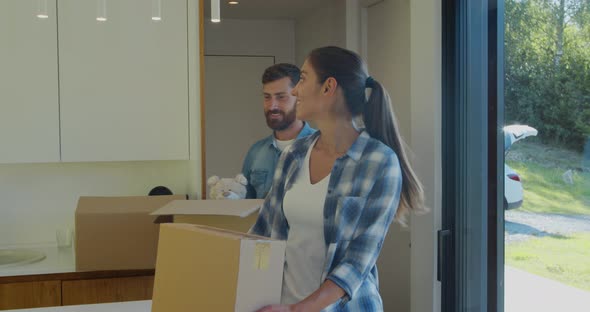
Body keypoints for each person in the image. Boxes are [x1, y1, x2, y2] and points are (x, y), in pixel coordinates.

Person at [251, 46, 426, 312]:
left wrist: (298, 310)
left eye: (304, 79)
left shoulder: (379, 162)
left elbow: (357, 263)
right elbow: (263, 233)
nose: (296, 90)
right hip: (283, 304)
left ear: (328, 87)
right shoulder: (294, 154)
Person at [242, 63, 316, 199]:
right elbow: (244, 206)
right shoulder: (255, 152)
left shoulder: (319, 145)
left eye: (281, 97)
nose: (272, 105)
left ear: (299, 96)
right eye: (267, 97)